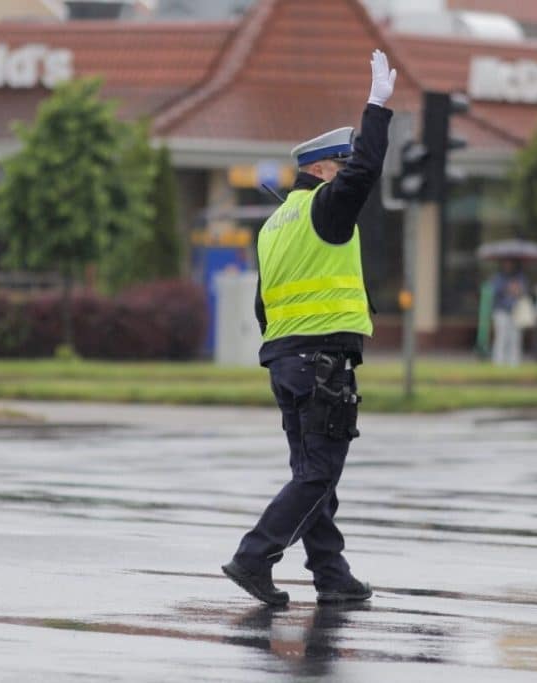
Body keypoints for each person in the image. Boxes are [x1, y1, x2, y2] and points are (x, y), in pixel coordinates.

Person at [221, 49, 396, 606]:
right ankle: (254, 557)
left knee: (314, 472)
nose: (346, 176)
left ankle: (330, 573)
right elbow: (366, 171)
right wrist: (376, 109)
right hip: (321, 362)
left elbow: (262, 306)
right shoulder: (325, 208)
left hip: (286, 361)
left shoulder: (276, 224)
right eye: (339, 167)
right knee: (318, 474)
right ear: (322, 169)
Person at [490, 258, 528, 367]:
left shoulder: (520, 277)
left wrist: (516, 289)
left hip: (516, 311)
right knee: (501, 337)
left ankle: (514, 363)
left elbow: (523, 291)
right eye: (506, 263)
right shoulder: (498, 277)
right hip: (501, 311)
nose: (508, 265)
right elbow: (494, 290)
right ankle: (498, 363)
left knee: (515, 338)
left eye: (510, 263)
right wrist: (508, 288)